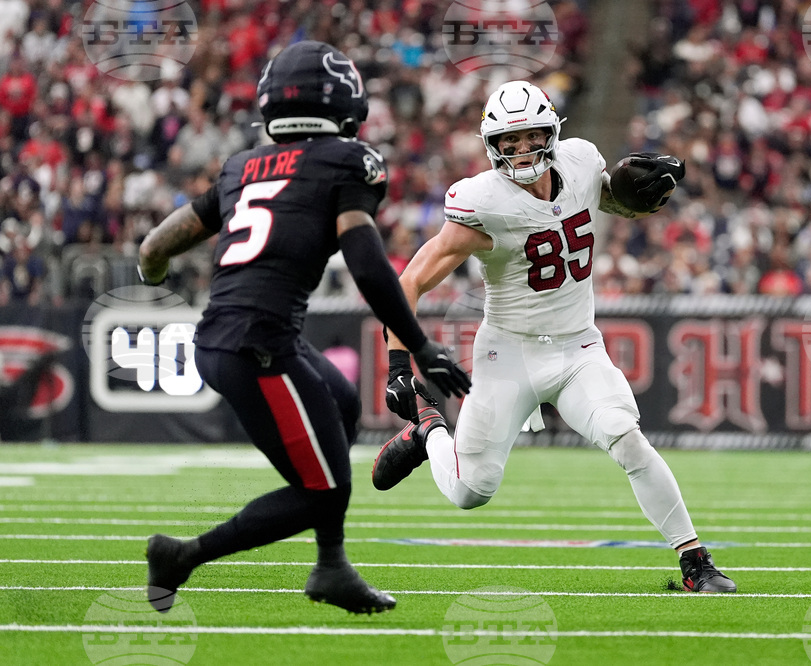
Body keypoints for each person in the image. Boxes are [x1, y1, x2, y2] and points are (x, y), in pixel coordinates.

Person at [137, 41, 471, 616]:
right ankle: (182, 556)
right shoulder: (346, 161)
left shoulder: (242, 165)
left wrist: (152, 269)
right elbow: (366, 263)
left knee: (340, 404)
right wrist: (420, 345)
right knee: (323, 491)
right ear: (343, 101)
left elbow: (157, 244)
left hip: (237, 336)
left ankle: (330, 565)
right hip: (257, 346)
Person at [371, 81, 736, 593]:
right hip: (508, 353)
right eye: (509, 141)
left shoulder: (583, 161)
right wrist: (396, 366)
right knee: (471, 491)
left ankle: (695, 560)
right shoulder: (483, 203)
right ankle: (428, 428)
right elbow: (409, 282)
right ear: (491, 145)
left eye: (530, 136)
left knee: (625, 436)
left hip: (578, 347)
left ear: (552, 131)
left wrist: (641, 199)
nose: (520, 150)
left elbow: (608, 204)